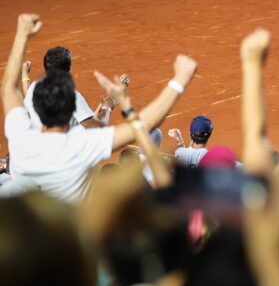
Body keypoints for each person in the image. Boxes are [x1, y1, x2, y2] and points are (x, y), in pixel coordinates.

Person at [2, 13, 197, 203]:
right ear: (72, 107)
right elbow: (143, 124)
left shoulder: (21, 138)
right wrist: (180, 80)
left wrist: (22, 34)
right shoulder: (80, 145)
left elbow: (9, 89)